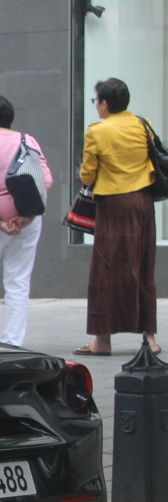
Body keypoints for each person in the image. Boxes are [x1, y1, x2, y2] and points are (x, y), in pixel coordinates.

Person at [75, 78, 158, 356]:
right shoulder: (141, 124)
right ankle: (150, 337)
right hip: (143, 203)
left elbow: (88, 174)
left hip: (113, 204)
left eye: (96, 101)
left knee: (105, 267)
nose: (96, 106)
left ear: (105, 104)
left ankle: (103, 340)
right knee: (143, 263)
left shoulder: (97, 131)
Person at [0, 95, 52, 347]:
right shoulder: (29, 141)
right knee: (18, 282)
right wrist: (28, 216)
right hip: (27, 218)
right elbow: (45, 180)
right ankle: (13, 344)